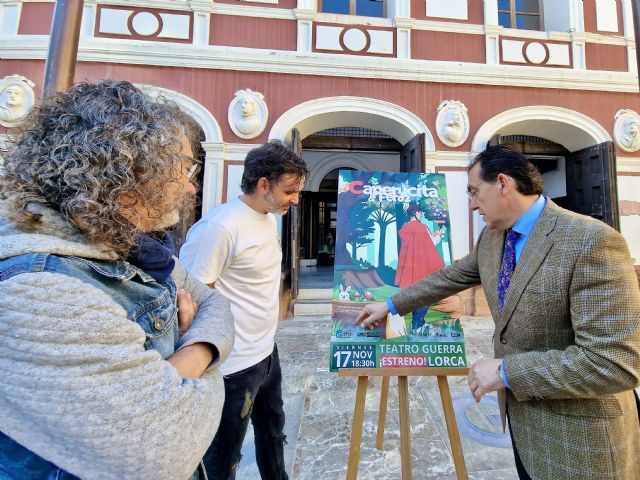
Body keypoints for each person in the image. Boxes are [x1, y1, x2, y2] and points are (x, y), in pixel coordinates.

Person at [357, 145, 640, 479]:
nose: (473, 204)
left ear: (504, 184)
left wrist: (506, 372)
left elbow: (613, 363)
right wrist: (390, 305)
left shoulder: (590, 241)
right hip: (524, 431)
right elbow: (451, 277)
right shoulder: (492, 237)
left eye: (475, 192)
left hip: (579, 445)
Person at [0, 80, 234, 479]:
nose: (191, 185)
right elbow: (168, 444)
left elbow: (216, 305)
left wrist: (186, 361)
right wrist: (195, 358)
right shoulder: (39, 289)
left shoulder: (133, 249)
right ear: (130, 178)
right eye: (184, 169)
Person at [179, 141, 309, 479]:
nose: (295, 199)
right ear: (263, 184)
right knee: (224, 457)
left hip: (266, 353)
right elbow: (192, 297)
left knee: (272, 434)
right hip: (233, 367)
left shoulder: (267, 217)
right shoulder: (220, 227)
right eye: (289, 190)